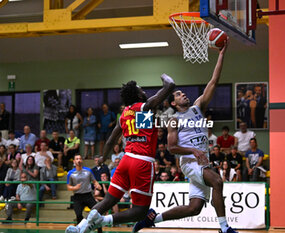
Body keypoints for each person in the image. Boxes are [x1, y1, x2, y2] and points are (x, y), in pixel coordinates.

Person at [133, 40, 236, 233]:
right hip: (189, 163)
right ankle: (225, 228)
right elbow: (171, 148)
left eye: (183, 93)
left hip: (202, 162)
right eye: (179, 94)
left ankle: (153, 219)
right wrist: (193, 150)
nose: (183, 95)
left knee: (194, 208)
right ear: (173, 102)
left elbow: (213, 81)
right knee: (217, 181)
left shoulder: (198, 107)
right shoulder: (174, 120)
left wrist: (221, 54)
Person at [65, 74, 175, 233]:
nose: (143, 91)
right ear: (138, 95)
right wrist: (163, 76)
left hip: (126, 160)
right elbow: (170, 85)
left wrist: (103, 157)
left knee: (108, 200)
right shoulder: (143, 108)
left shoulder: (125, 115)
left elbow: (110, 140)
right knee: (140, 211)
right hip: (141, 162)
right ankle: (103, 221)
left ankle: (80, 228)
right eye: (140, 89)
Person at [66, 155, 102, 233]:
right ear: (74, 161)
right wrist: (74, 188)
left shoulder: (88, 171)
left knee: (97, 212)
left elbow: (94, 181)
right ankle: (81, 230)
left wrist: (97, 185)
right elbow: (68, 187)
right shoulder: (70, 173)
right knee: (78, 215)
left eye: (80, 159)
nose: (79, 160)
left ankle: (100, 230)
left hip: (88, 195)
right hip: (77, 196)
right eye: (77, 159)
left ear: (82, 161)